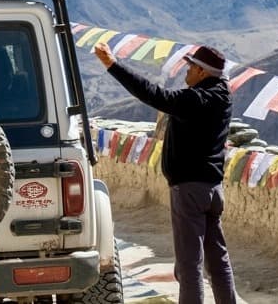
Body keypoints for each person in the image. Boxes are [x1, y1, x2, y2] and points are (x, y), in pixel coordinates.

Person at [94, 42, 236, 304]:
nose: (187, 71)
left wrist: (113, 66)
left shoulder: (195, 99)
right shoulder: (223, 98)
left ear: (203, 72)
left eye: (191, 67)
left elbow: (153, 94)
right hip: (213, 190)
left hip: (190, 190)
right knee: (218, 261)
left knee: (189, 264)